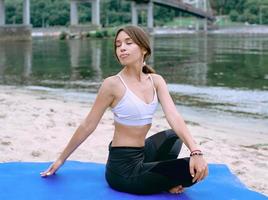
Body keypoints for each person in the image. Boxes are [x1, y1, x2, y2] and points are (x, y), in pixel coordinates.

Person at [40, 25, 208, 195]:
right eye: (118, 45)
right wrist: (61, 159)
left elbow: (173, 115)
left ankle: (160, 178)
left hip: (142, 153)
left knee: (174, 135)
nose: (122, 48)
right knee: (189, 169)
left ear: (143, 49)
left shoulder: (156, 81)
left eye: (128, 43)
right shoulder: (112, 84)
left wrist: (196, 151)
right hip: (123, 169)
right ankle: (163, 180)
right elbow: (88, 125)